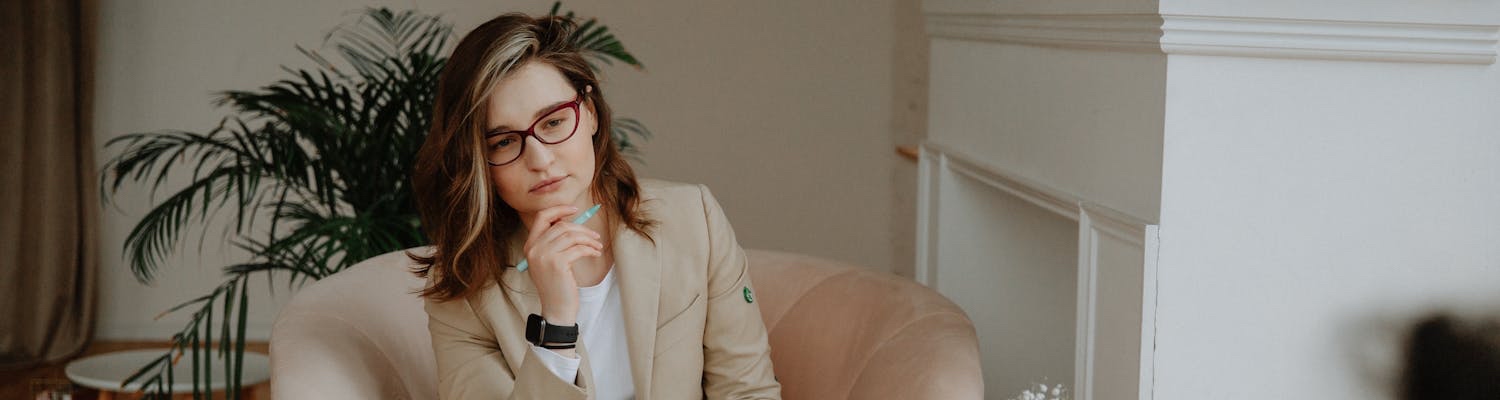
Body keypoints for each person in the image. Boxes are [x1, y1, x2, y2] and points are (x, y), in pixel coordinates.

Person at [406, 11, 781, 400]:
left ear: (589, 113)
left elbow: (747, 390)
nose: (539, 159)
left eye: (552, 122)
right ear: (477, 162)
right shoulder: (465, 292)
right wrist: (555, 325)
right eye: (503, 142)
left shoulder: (693, 218)